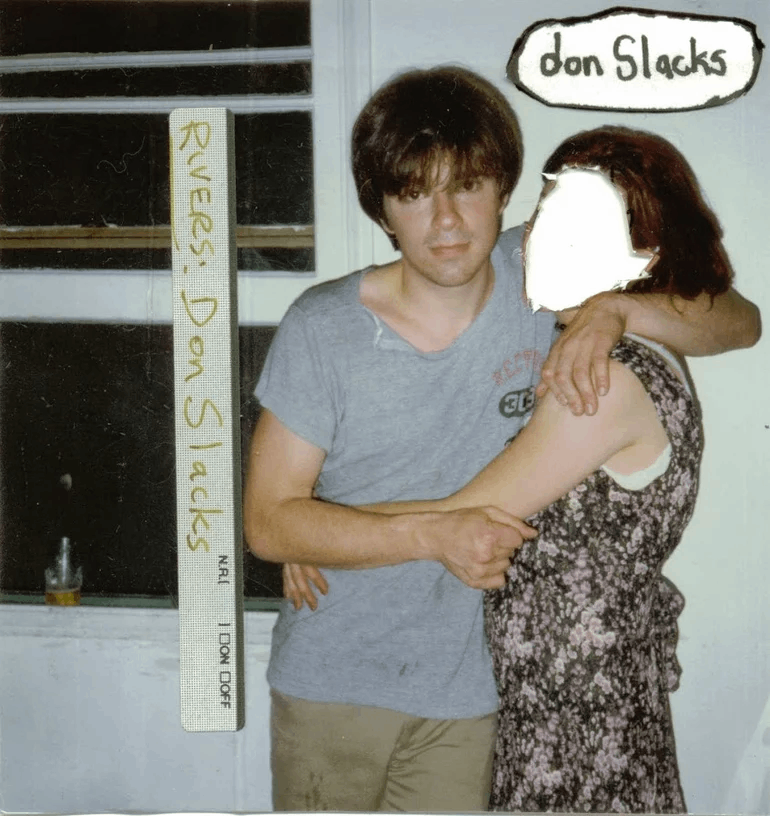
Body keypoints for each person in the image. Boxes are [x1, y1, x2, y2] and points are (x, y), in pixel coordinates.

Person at [244, 66, 759, 813]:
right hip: (335, 682)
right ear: (382, 209)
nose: (446, 221)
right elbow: (268, 524)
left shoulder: (544, 272)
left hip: (474, 695)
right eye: (414, 193)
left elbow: (741, 321)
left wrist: (616, 310)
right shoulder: (321, 328)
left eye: (469, 185)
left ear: (504, 190)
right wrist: (327, 529)